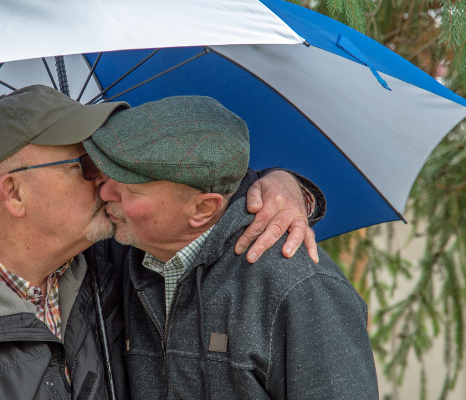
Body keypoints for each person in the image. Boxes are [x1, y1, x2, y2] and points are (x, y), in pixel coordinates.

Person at [0, 85, 323, 399]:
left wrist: (280, 186)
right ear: (15, 193)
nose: (108, 182)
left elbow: (192, 196)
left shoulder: (112, 254)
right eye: (85, 167)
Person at [85, 95, 379, 399]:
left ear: (201, 209)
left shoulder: (300, 288)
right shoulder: (121, 255)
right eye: (109, 176)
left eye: (131, 189)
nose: (105, 192)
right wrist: (281, 179)